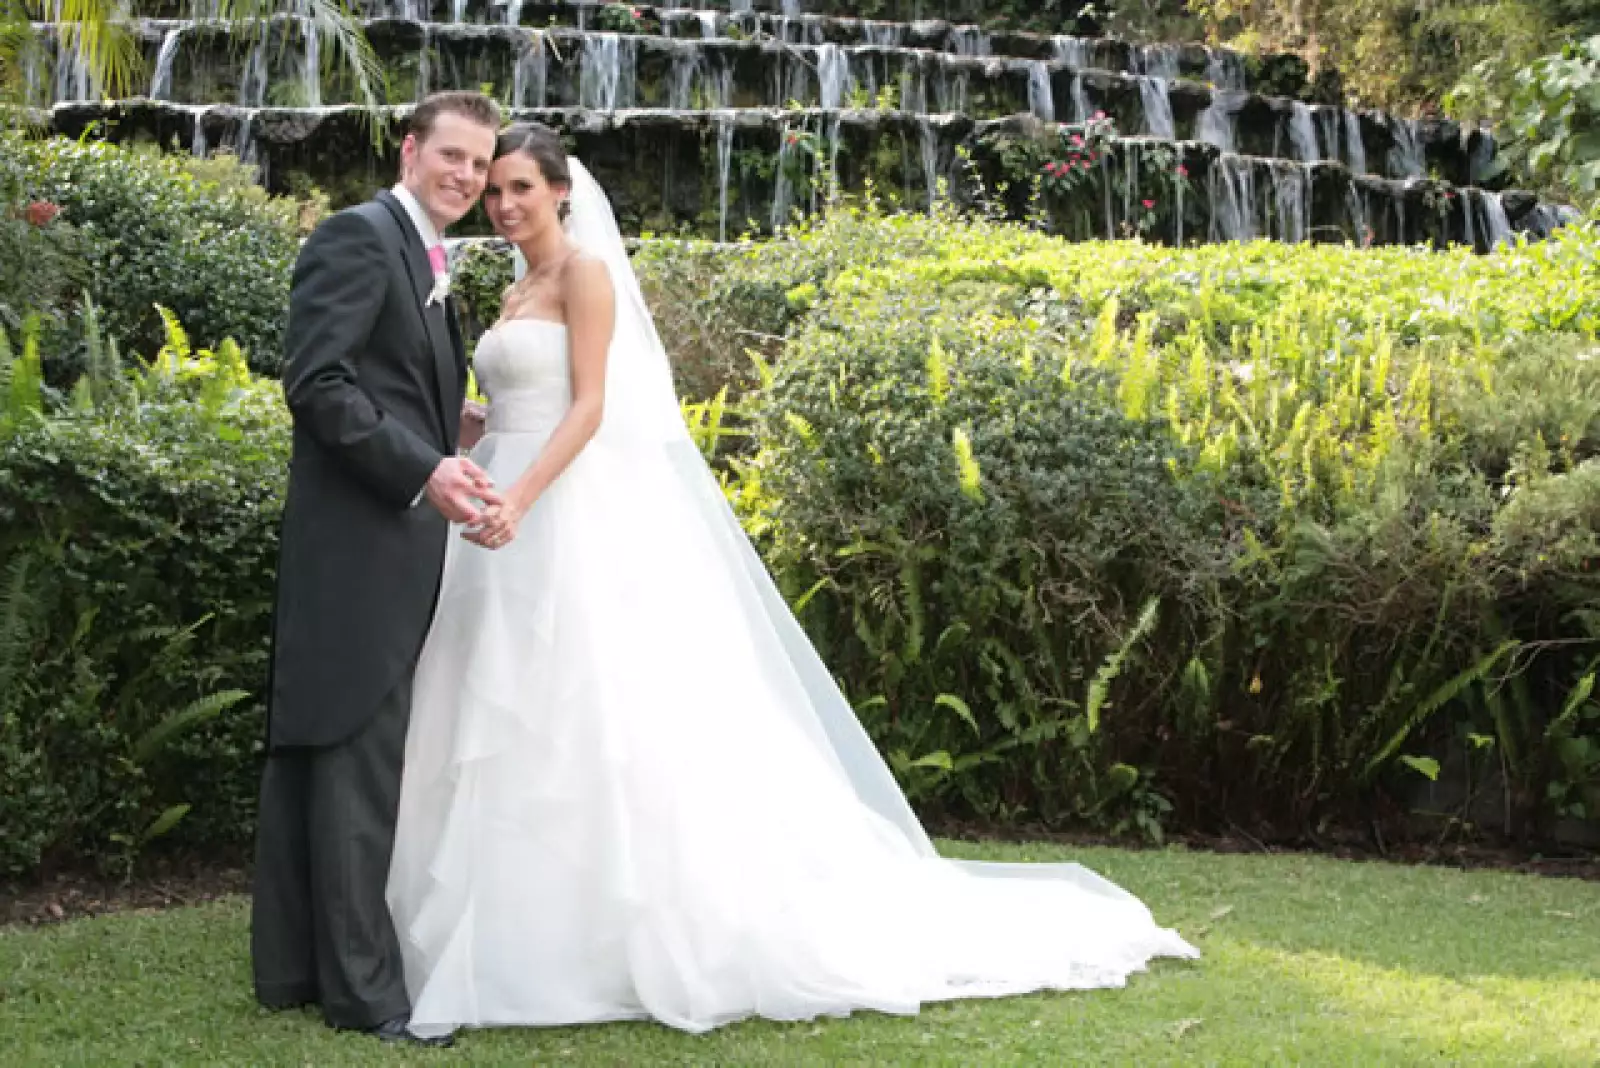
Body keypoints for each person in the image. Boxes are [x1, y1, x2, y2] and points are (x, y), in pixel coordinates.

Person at [386, 122, 1199, 1042]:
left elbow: (592, 406)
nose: (504, 204)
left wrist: (523, 497)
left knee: (594, 708)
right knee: (501, 704)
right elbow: (529, 397)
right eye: (495, 191)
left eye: (521, 188)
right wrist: (477, 432)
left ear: (562, 192)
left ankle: (608, 926)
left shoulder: (584, 274)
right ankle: (505, 913)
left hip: (554, 504)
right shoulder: (512, 283)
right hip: (496, 492)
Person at [251, 90, 501, 1048]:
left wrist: (453, 430)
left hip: (377, 541)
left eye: (478, 166)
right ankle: (366, 998)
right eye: (451, 156)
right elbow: (316, 382)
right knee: (353, 764)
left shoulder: (425, 253)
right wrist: (422, 466)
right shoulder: (361, 237)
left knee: (325, 758)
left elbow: (385, 380)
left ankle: (292, 971)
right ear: (410, 150)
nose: (465, 177)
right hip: (359, 542)